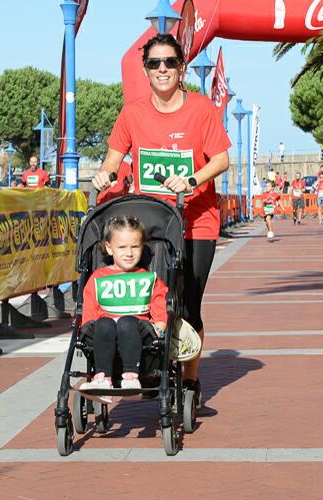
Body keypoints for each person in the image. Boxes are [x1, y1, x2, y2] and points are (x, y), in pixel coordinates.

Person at [91, 33, 230, 403]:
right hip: (150, 225)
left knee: (188, 306)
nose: (163, 69)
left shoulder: (201, 109)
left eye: (170, 62)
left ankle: (189, 379)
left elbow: (221, 159)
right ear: (146, 70)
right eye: (155, 63)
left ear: (181, 67)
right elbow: (113, 158)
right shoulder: (132, 113)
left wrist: (191, 179)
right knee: (151, 299)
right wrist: (104, 173)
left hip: (197, 221)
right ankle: (150, 364)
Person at [80, 216, 168, 403]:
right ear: (109, 248)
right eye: (122, 247)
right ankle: (102, 379)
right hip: (105, 333)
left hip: (139, 333)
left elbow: (160, 309)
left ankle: (131, 378)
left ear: (142, 247)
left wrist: (159, 329)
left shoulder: (149, 278)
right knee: (104, 323)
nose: (129, 253)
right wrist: (86, 329)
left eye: (135, 247)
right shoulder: (98, 278)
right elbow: (89, 313)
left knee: (127, 321)